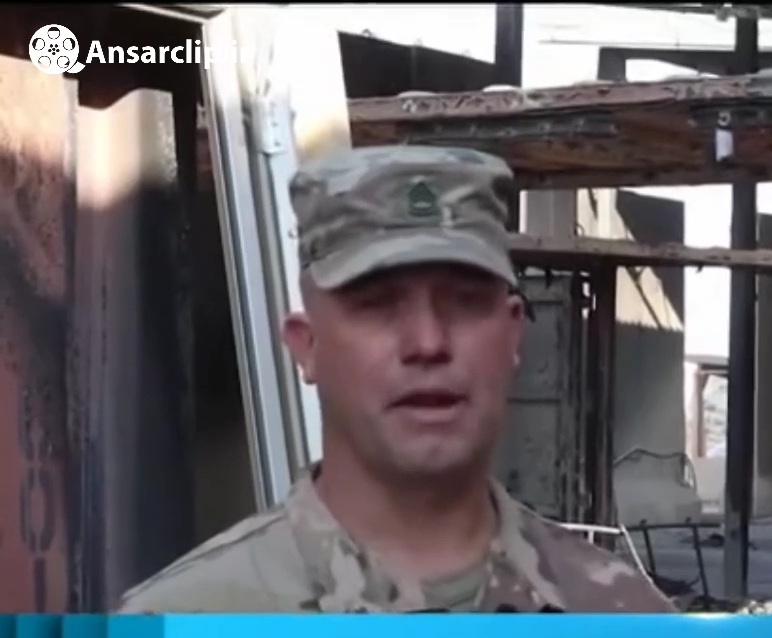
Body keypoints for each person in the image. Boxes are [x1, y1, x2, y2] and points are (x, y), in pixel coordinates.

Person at [119, 146, 675, 613]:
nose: (428, 343)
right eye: (377, 305)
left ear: (512, 335)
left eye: (464, 301)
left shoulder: (628, 627)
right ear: (306, 345)